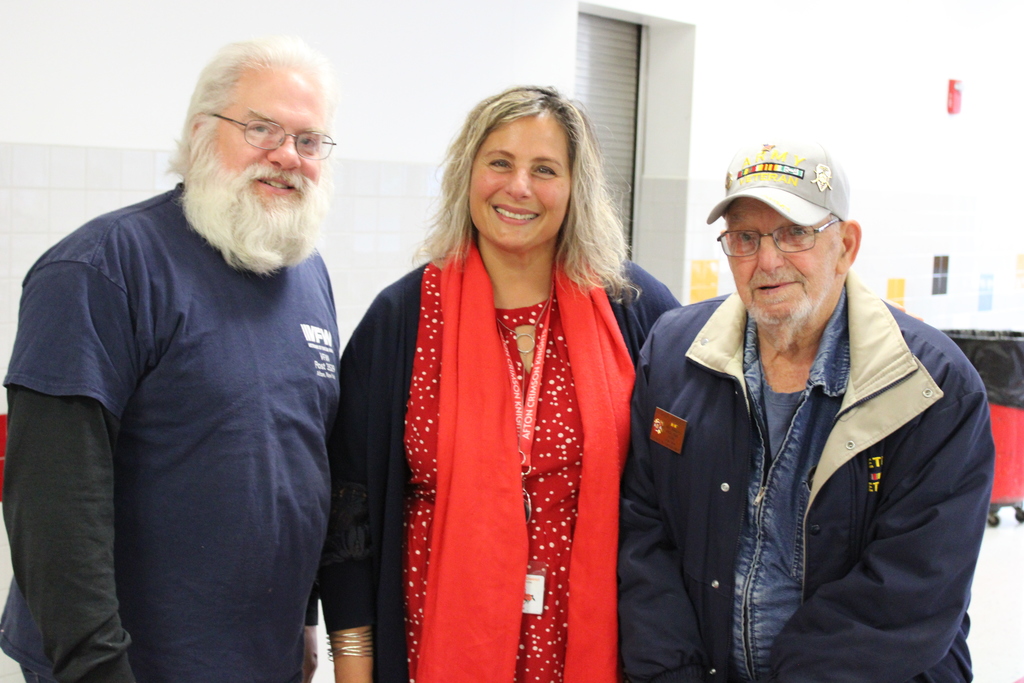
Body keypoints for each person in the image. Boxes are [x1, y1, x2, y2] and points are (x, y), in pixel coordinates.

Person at [1, 36, 340, 683]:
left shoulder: (307, 275)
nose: (286, 156)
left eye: (309, 139)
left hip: (261, 659)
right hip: (128, 664)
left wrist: (303, 619)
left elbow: (301, 466)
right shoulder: (101, 267)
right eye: (262, 128)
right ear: (200, 132)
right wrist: (96, 667)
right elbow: (52, 503)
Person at [317, 86, 679, 683]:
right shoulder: (402, 319)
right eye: (500, 163)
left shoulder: (634, 309)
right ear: (468, 173)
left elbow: (682, 489)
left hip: (601, 653)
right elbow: (347, 508)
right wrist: (354, 666)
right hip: (434, 647)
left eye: (545, 169)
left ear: (574, 188)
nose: (519, 188)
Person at [618, 140, 996, 682]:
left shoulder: (929, 386)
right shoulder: (675, 355)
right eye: (745, 238)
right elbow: (645, 535)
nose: (767, 260)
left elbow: (910, 591)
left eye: (795, 233)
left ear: (845, 246)